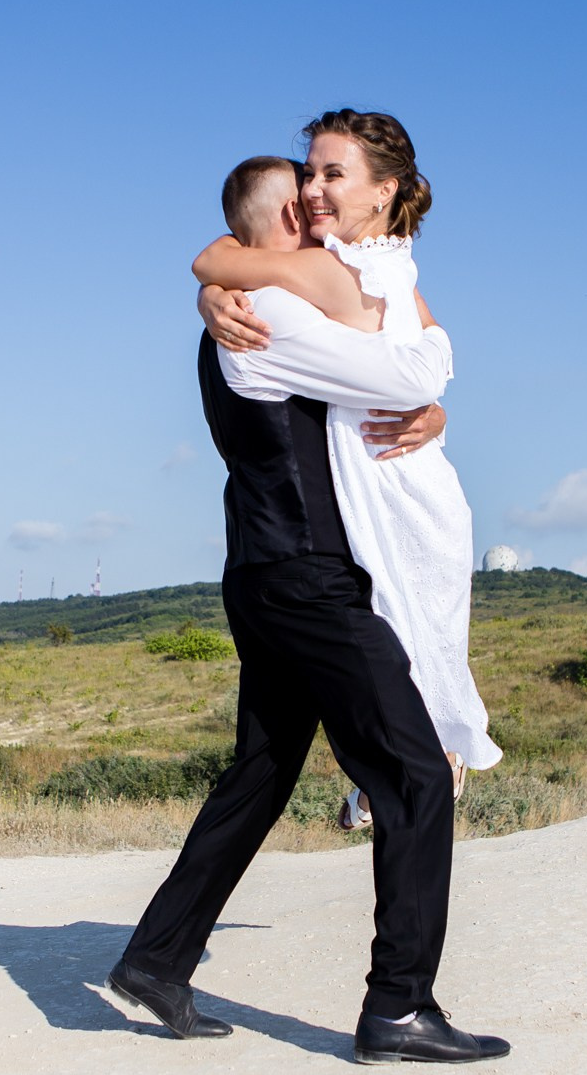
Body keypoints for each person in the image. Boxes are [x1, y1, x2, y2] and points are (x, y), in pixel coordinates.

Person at [108, 115, 509, 1067]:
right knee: (413, 774)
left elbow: (388, 367)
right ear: (269, 230)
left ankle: (157, 959)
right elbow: (397, 364)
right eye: (303, 200)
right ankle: (398, 1008)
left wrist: (432, 404)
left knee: (264, 770)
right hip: (308, 579)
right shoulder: (271, 314)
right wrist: (224, 283)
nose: (319, 212)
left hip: (268, 573)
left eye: (334, 184)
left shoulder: (268, 306)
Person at [188, 112, 502, 829]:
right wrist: (212, 295)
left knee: (408, 626)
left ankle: (422, 766)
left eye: (333, 174)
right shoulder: (331, 272)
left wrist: (435, 413)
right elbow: (218, 261)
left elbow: (421, 361)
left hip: (396, 485)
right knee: (392, 634)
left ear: (383, 191)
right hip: (357, 503)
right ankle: (413, 767)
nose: (316, 192)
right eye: (310, 177)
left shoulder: (349, 268)